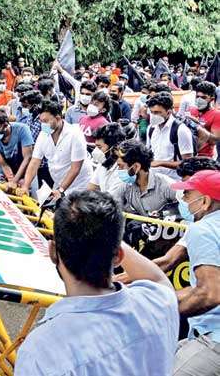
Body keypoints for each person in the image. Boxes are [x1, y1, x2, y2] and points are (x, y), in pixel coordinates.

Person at [15, 190, 179, 376]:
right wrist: (106, 236)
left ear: (52, 251)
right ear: (118, 257)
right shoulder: (158, 302)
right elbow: (156, 277)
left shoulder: (40, 352)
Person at [164, 170, 220, 375]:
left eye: (188, 194)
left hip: (214, 337)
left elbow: (208, 293)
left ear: (205, 201)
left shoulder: (203, 229)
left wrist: (158, 310)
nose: (183, 200)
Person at [21, 100, 93, 198]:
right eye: (41, 121)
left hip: (79, 184)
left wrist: (61, 190)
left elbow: (75, 168)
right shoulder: (43, 135)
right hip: (59, 181)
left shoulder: (75, 134)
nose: (43, 125)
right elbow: (34, 162)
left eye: (46, 121)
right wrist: (26, 186)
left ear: (58, 118)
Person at [115, 139, 177, 216]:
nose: (119, 170)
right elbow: (113, 204)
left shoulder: (167, 185)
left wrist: (165, 213)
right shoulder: (126, 186)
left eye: (121, 166)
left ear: (136, 167)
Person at [146, 92, 194, 180]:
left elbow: (188, 162)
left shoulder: (180, 130)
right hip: (154, 179)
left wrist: (160, 163)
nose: (153, 116)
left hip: (174, 180)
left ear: (168, 112)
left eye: (157, 112)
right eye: (151, 112)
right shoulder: (151, 128)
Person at [0, 110, 34, 190]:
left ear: (5, 125)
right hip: (5, 171)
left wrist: (15, 181)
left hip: (24, 170)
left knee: (22, 192)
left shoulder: (22, 129)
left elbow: (27, 158)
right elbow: (3, 164)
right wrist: (11, 181)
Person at [87, 123, 127, 199]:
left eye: (99, 147)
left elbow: (109, 200)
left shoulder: (123, 170)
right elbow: (90, 188)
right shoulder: (103, 164)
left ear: (114, 148)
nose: (95, 151)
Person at [188, 81, 220, 158]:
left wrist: (198, 126)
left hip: (204, 157)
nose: (199, 100)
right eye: (197, 97)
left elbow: (215, 141)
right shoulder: (192, 110)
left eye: (203, 97)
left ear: (211, 99)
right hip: (188, 154)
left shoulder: (217, 115)